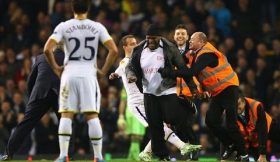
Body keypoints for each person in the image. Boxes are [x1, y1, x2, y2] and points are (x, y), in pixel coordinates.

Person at [43, 0, 118, 161]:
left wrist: (56, 68)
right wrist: (103, 71)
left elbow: (47, 49)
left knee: (66, 115)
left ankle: (63, 155)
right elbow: (113, 50)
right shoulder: (97, 27)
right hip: (89, 74)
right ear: (88, 9)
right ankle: (98, 156)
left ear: (72, 8)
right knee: (92, 115)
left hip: (69, 74)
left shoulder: (64, 26)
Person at [159, 32, 249, 161]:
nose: (189, 41)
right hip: (218, 92)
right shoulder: (194, 54)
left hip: (229, 88)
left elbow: (192, 71)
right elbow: (180, 61)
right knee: (211, 121)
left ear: (201, 42)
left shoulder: (207, 54)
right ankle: (230, 145)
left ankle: (243, 154)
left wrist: (169, 73)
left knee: (231, 125)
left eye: (192, 39)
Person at [109, 35, 202, 161]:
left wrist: (114, 74)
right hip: (137, 103)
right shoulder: (126, 62)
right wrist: (115, 74)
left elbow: (119, 71)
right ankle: (182, 146)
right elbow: (122, 68)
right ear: (124, 47)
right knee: (159, 128)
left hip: (148, 99)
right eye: (131, 44)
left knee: (159, 128)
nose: (135, 46)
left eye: (136, 43)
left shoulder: (139, 60)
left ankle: (146, 152)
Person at [0, 48, 64, 161]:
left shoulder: (41, 57)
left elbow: (31, 79)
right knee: (66, 123)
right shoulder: (69, 58)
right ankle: (67, 155)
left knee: (25, 124)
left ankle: (7, 154)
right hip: (59, 93)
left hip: (40, 93)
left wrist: (31, 99)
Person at [173, 24, 201, 160]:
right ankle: (190, 149)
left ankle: (194, 154)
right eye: (178, 33)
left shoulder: (192, 53)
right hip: (174, 95)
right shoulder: (170, 53)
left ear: (187, 37)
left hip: (190, 94)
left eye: (183, 34)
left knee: (187, 124)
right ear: (174, 36)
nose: (180, 36)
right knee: (178, 127)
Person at [236, 93, 280, 162]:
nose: (236, 107)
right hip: (253, 138)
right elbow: (228, 132)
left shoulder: (256, 106)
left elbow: (262, 130)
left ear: (244, 102)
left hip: (269, 127)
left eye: (238, 104)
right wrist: (223, 157)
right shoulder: (231, 111)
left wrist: (262, 154)